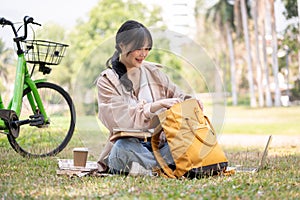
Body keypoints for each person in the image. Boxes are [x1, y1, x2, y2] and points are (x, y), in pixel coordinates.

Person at [96, 20, 203, 175]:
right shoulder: (107, 80)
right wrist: (153, 107)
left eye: (147, 49)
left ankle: (151, 168)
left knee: (189, 139)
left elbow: (177, 94)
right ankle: (168, 166)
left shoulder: (153, 72)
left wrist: (190, 102)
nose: (143, 54)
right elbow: (117, 120)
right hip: (131, 146)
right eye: (138, 48)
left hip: (160, 145)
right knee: (121, 150)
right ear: (122, 45)